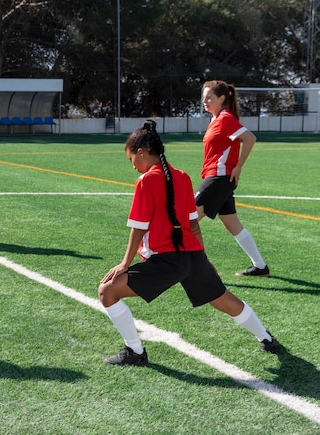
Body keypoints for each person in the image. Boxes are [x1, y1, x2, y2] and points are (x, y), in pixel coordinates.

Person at [97, 120, 280, 366]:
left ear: (141, 152)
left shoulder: (146, 181)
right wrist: (203, 259)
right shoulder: (182, 177)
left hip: (167, 259)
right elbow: (193, 225)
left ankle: (136, 352)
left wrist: (124, 263)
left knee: (107, 291)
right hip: (191, 256)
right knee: (223, 299)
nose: (133, 167)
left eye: (132, 160)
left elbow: (139, 228)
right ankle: (266, 338)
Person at [196, 80, 269, 277]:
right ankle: (260, 266)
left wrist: (238, 167)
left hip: (219, 179)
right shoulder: (215, 118)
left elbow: (250, 138)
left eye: (209, 97)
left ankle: (205, 271)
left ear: (222, 98)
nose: (205, 101)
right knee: (231, 223)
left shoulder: (225, 118)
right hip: (219, 178)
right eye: (203, 98)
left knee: (188, 220)